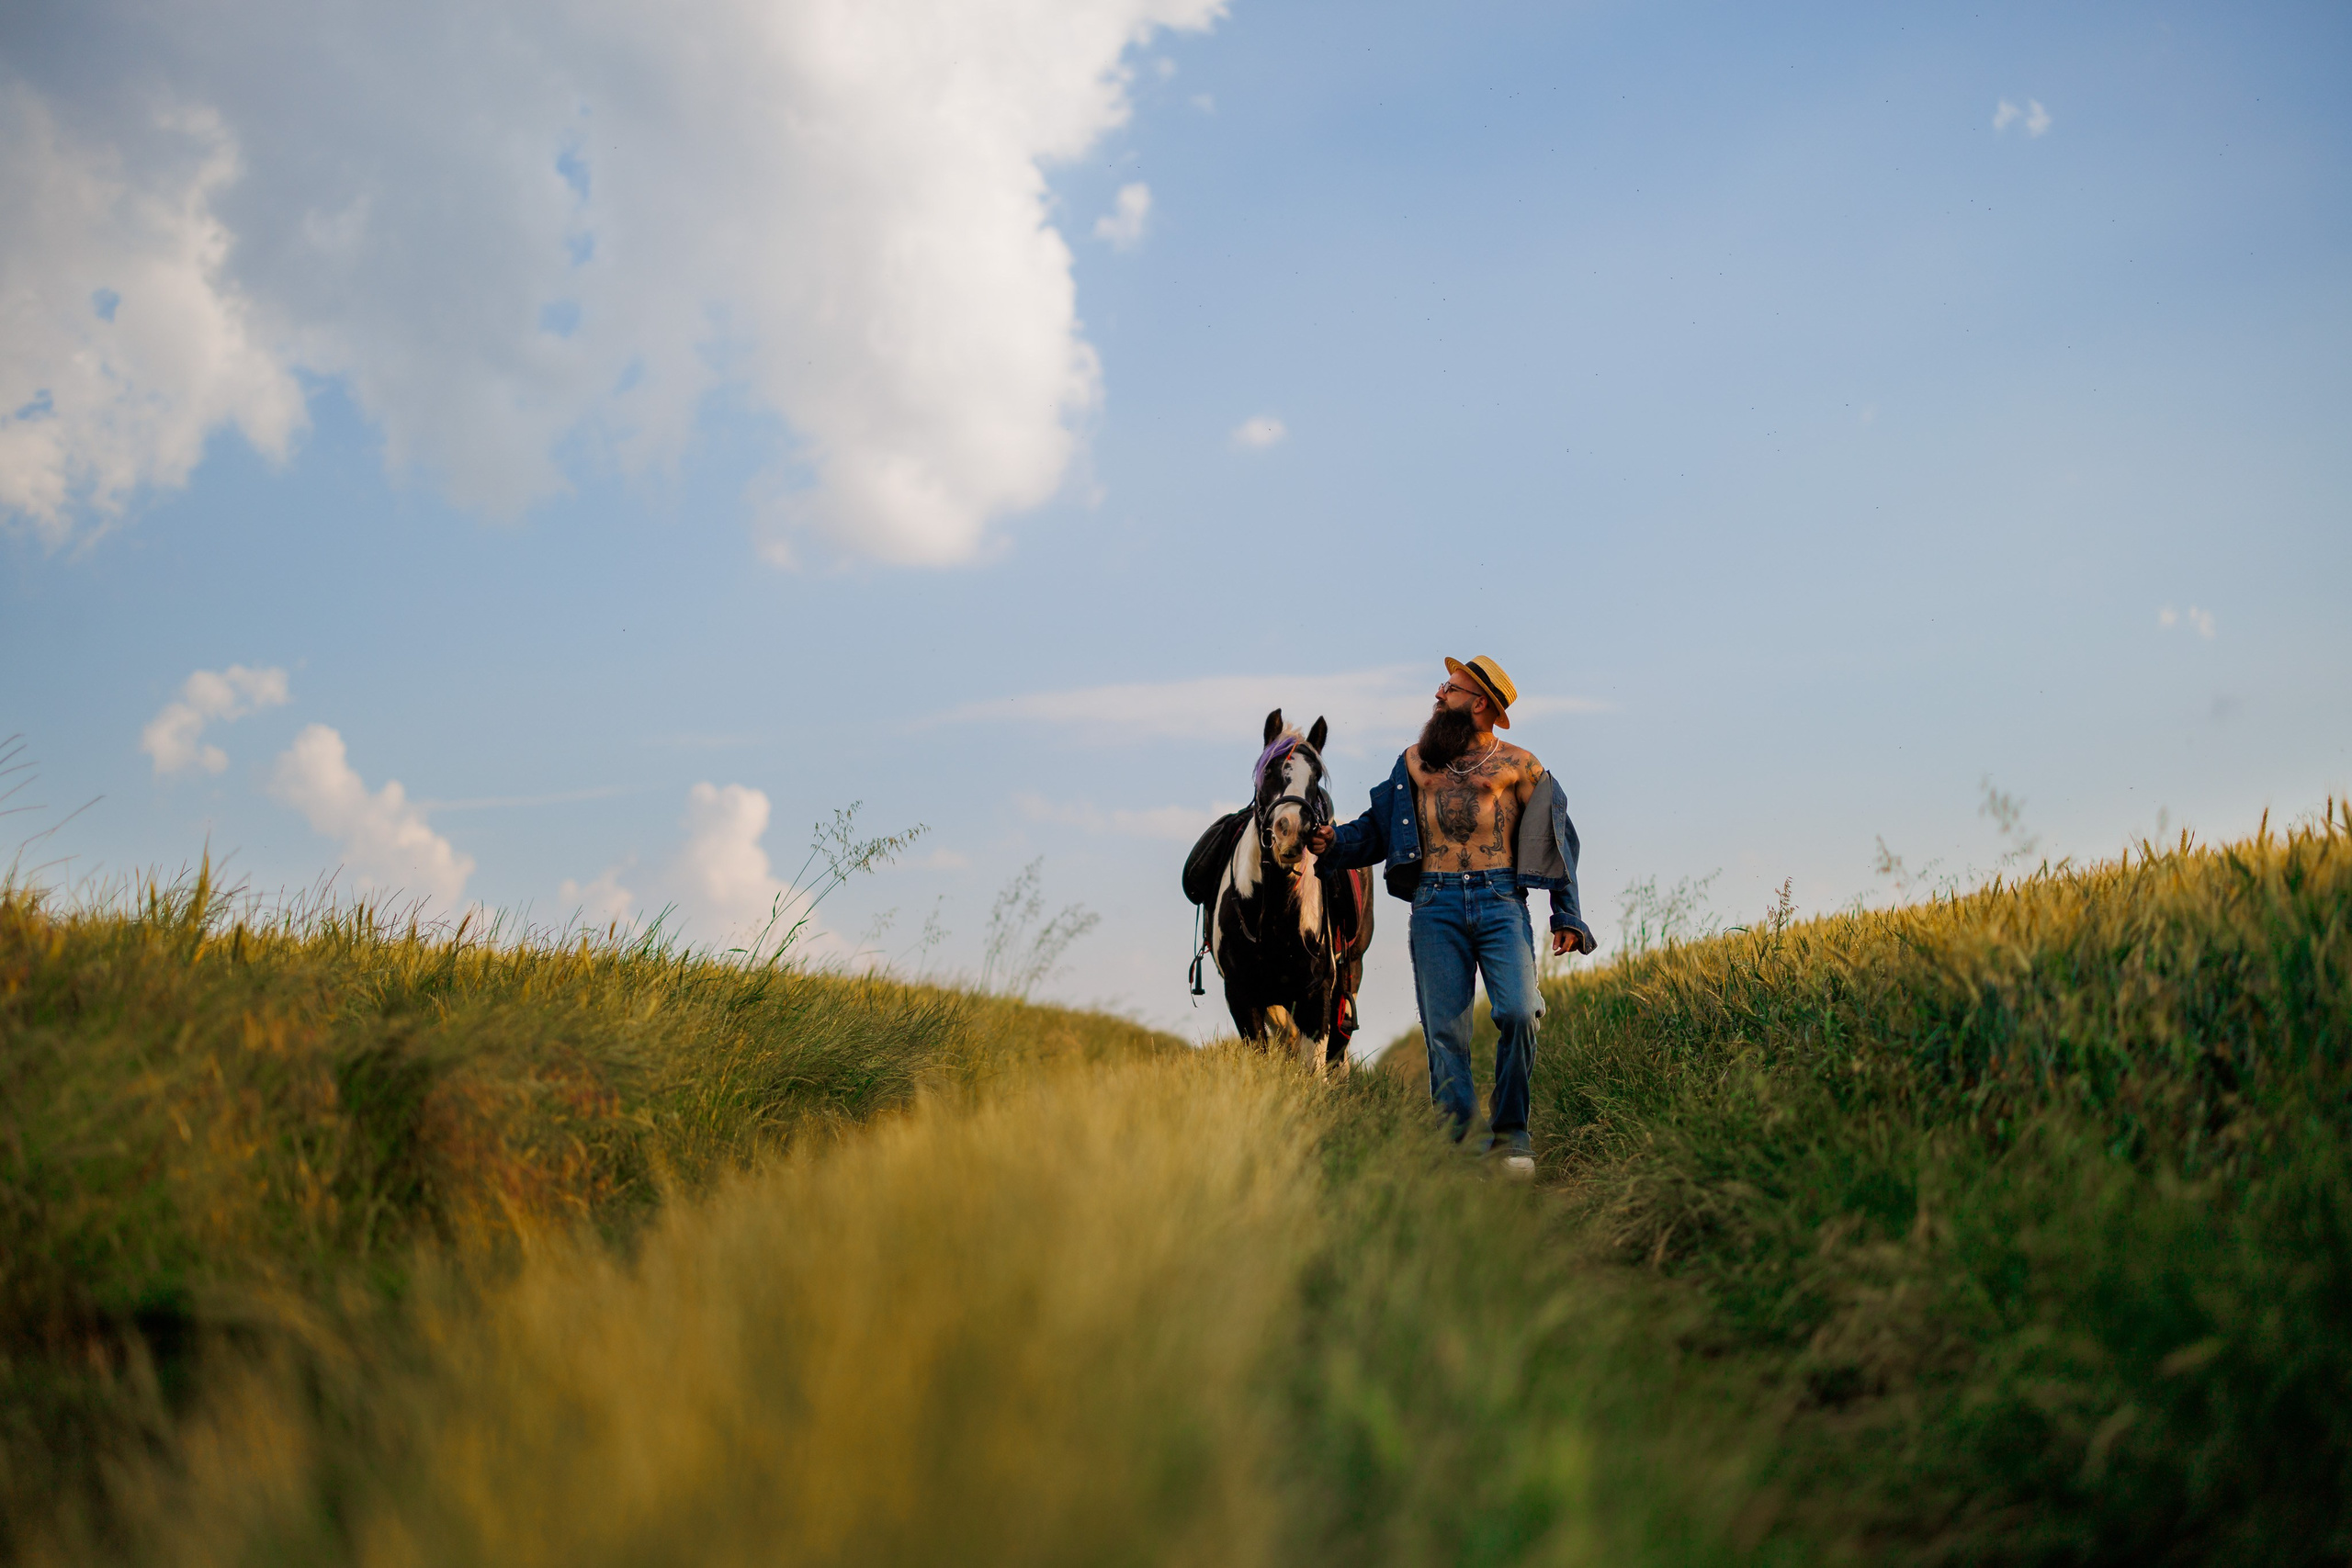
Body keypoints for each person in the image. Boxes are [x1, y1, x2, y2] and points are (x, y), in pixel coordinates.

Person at [1305, 656, 1595, 1177]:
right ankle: (1462, 1147)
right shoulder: (1414, 762)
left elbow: (1558, 840)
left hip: (1500, 901)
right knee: (1445, 1033)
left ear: (1479, 702)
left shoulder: (1521, 765)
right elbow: (1377, 827)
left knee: (1519, 1012)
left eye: (1450, 688)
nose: (1439, 695)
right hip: (1434, 903)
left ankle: (1512, 1136)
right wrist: (1335, 841)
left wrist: (1567, 914)